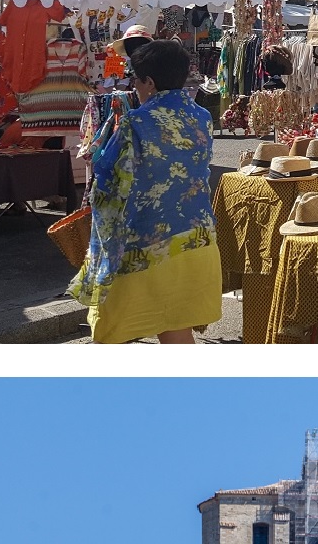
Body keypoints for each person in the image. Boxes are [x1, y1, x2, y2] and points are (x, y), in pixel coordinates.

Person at [71, 37, 222, 344]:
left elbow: (110, 180)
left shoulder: (136, 122)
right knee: (176, 327)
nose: (134, 87)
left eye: (135, 81)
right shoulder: (202, 118)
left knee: (111, 329)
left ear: (149, 82)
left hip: (145, 246)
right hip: (196, 240)